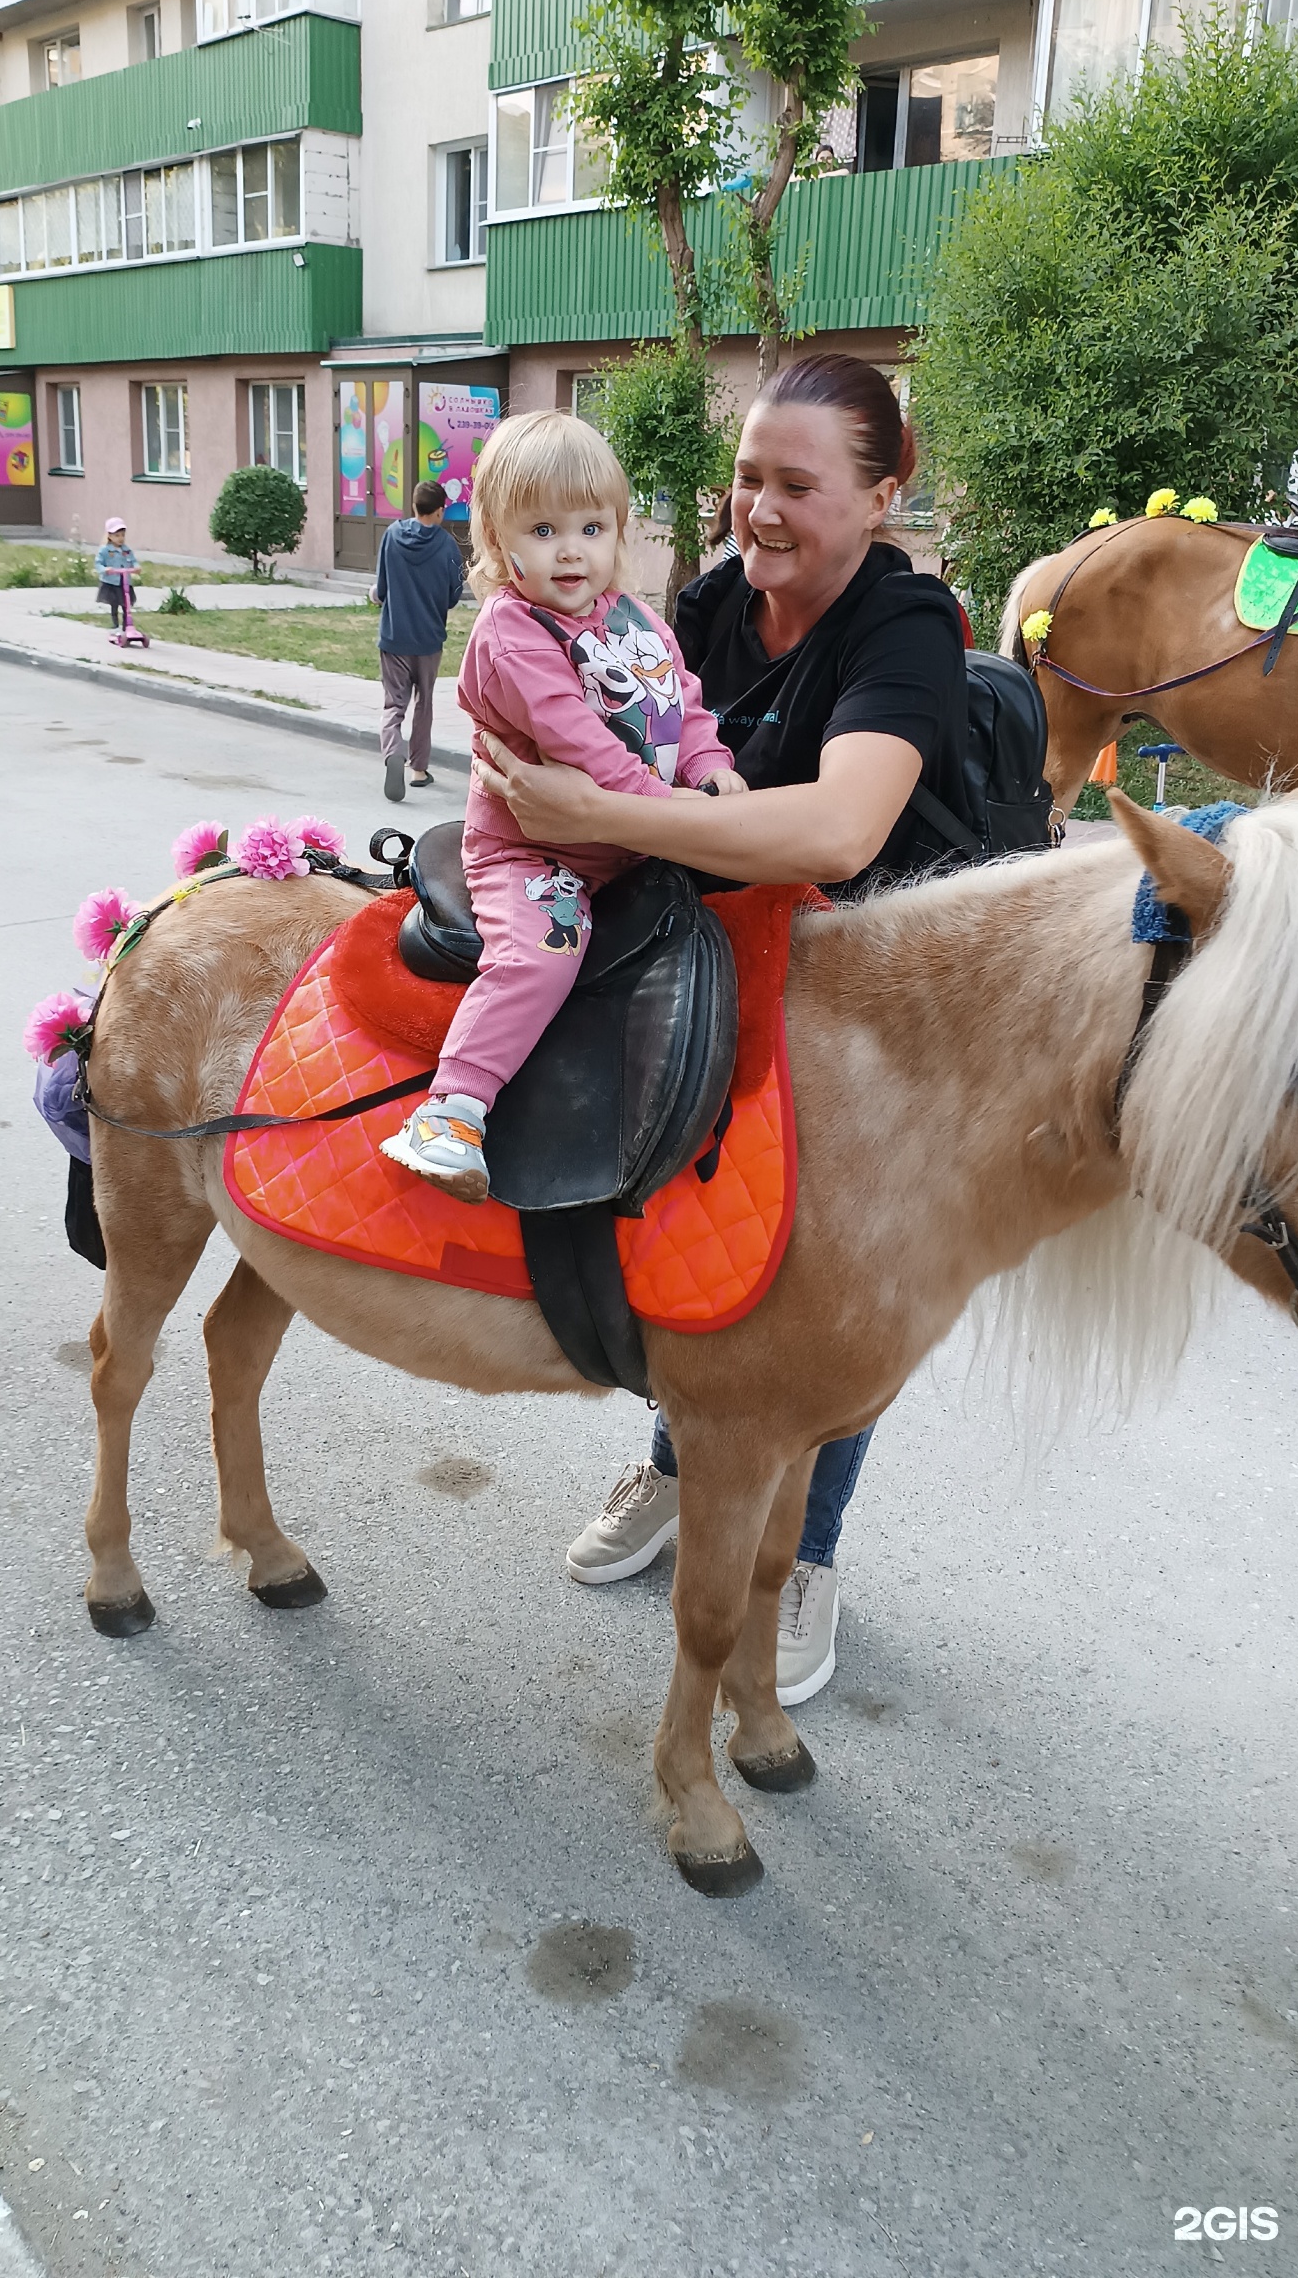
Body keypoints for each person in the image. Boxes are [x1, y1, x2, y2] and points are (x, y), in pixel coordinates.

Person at [472, 355, 972, 1703]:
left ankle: (804, 1546)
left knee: (840, 1282)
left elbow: (836, 826)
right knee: (694, 1226)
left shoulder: (903, 626)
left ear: (883, 491)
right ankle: (683, 1459)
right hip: (723, 960)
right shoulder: (704, 601)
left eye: (796, 485)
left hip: (873, 1006)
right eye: (748, 475)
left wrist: (611, 815)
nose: (758, 508)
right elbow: (607, 717)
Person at [379, 410, 743, 1203]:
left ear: (619, 530)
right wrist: (686, 820)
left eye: (591, 525)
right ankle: (453, 1107)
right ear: (499, 541)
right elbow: (586, 748)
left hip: (630, 834)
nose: (571, 548)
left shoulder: (635, 616)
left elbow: (684, 701)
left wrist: (713, 767)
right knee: (545, 950)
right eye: (542, 528)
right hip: (539, 851)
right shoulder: (512, 634)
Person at [375, 478, 467, 802]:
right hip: (428, 640)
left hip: (394, 637)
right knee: (424, 702)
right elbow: (454, 596)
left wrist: (377, 595)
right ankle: (418, 769)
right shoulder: (447, 547)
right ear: (440, 511)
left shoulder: (392, 536)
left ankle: (393, 753)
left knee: (393, 704)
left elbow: (382, 589)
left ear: (414, 507)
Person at [94, 518, 140, 631]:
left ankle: (126, 626)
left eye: (122, 535)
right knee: (114, 604)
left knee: (126, 605)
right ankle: (115, 625)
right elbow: (98, 563)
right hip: (111, 582)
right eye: (117, 535)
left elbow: (133, 560)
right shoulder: (105, 550)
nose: (120, 538)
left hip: (124, 582)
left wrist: (136, 567)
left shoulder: (126, 550)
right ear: (109, 536)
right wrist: (105, 569)